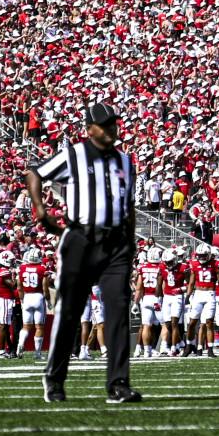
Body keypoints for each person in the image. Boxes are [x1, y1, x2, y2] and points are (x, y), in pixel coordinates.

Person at [26, 101, 143, 404]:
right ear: (89, 129)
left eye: (113, 124)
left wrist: (129, 246)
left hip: (116, 244)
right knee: (70, 311)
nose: (111, 130)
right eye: (104, 125)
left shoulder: (126, 162)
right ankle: (54, 379)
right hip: (81, 239)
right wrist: (40, 210)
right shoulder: (74, 155)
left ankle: (118, 384)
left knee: (117, 312)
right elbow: (36, 173)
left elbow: (127, 207)